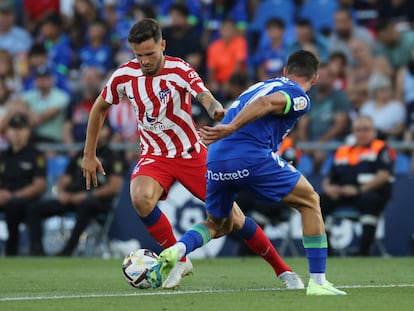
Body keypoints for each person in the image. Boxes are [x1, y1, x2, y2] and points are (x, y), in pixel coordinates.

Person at [81, 18, 303, 290]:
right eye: (139, 55)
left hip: (191, 153)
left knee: (234, 220)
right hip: (155, 155)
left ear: (162, 45)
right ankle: (180, 258)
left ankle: (284, 271)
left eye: (150, 54)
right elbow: (99, 108)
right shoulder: (124, 76)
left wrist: (216, 111)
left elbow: (204, 96)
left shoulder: (180, 69)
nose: (145, 61)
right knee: (140, 198)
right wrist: (89, 154)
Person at [148, 50, 347, 296]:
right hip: (249, 155)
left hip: (216, 158)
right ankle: (318, 282)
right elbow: (266, 104)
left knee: (218, 223)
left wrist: (228, 129)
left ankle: (178, 250)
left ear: (285, 71)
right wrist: (230, 128)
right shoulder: (299, 95)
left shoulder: (262, 84)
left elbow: (259, 101)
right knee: (310, 201)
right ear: (315, 78)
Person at [26, 120, 125, 256]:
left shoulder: (113, 157)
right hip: (72, 198)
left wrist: (87, 196)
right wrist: (61, 192)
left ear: (109, 132)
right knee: (34, 208)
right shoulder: (81, 155)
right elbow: (65, 179)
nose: (97, 131)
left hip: (96, 202)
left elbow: (115, 187)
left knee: (87, 205)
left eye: (102, 128)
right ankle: (37, 250)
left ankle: (68, 250)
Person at [320, 115, 396, 256]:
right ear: (353, 132)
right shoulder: (342, 150)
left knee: (370, 200)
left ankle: (363, 252)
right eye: (358, 130)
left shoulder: (381, 148)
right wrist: (330, 189)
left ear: (373, 131)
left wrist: (359, 190)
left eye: (366, 129)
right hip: (344, 193)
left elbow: (384, 175)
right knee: (319, 202)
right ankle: (325, 250)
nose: (362, 133)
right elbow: (328, 178)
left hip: (370, 193)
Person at [0, 113, 46, 256]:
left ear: (28, 131)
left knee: (28, 207)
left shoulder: (36, 155)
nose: (17, 132)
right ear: (7, 132)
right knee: (12, 205)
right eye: (13, 128)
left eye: (21, 128)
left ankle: (28, 251)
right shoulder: (3, 156)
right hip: (4, 197)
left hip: (26, 198)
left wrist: (13, 195)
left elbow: (39, 185)